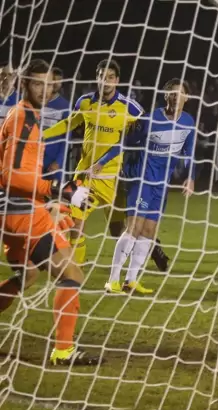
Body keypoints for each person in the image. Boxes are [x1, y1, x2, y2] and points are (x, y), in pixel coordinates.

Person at [0, 59, 99, 365]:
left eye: (48, 84)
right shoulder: (23, 119)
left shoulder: (25, 115)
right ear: (25, 84)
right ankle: (63, 350)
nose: (43, 90)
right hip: (22, 213)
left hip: (13, 211)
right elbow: (10, 175)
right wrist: (57, 190)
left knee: (27, 276)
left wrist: (55, 197)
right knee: (71, 274)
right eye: (36, 83)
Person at [43, 59, 170, 271]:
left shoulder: (130, 107)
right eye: (102, 76)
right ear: (97, 78)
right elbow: (69, 123)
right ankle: (75, 270)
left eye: (110, 77)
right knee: (76, 223)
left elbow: (143, 131)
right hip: (85, 176)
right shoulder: (84, 102)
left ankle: (151, 246)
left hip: (115, 179)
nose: (106, 81)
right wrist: (41, 135)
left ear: (117, 80)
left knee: (119, 228)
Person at [100, 79, 196, 293]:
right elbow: (124, 142)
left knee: (149, 231)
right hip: (142, 180)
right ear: (165, 96)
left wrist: (190, 177)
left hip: (162, 185)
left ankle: (131, 280)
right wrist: (101, 162)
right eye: (171, 93)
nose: (175, 97)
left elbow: (189, 153)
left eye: (179, 94)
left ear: (187, 98)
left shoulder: (189, 122)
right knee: (133, 228)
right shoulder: (150, 119)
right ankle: (112, 280)